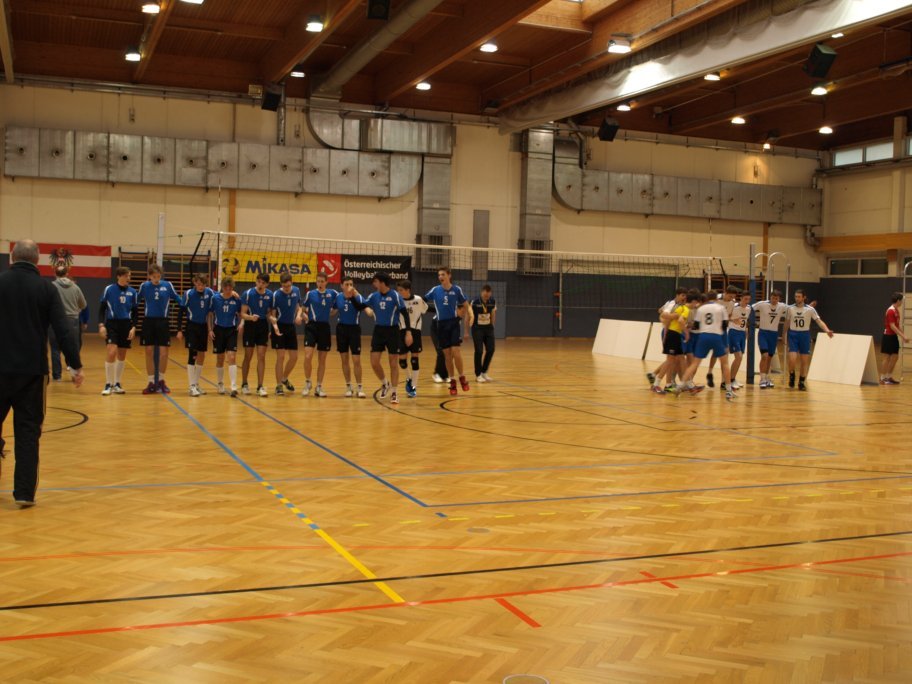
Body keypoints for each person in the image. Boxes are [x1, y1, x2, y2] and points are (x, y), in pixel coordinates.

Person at [0, 240, 84, 507]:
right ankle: (24, 493)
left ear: (12, 257)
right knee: (28, 432)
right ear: (37, 260)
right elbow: (63, 330)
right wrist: (75, 365)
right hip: (32, 372)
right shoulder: (46, 289)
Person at [355, 272, 412, 404]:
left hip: (393, 331)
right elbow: (360, 306)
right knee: (374, 362)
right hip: (378, 331)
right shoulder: (374, 296)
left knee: (393, 363)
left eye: (375, 281)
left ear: (381, 282)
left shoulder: (395, 295)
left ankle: (394, 392)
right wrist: (354, 295)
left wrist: (408, 332)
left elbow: (405, 314)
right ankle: (385, 383)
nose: (373, 284)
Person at [677, 292, 735, 401]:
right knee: (724, 363)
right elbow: (725, 325)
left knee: (695, 363)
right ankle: (728, 390)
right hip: (716, 337)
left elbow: (696, 325)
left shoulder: (701, 309)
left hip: (703, 337)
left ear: (707, 298)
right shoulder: (721, 308)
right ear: (716, 298)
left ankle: (680, 385)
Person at [424, 267, 470, 396]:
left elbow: (466, 305)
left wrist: (468, 320)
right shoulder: (435, 290)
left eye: (443, 274)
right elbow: (422, 300)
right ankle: (452, 381)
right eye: (439, 275)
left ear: (449, 275)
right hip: (441, 325)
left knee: (456, 352)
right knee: (447, 355)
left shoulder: (456, 289)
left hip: (453, 323)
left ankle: (462, 377)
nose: (440, 277)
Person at [137, 264, 182, 394]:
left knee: (164, 353)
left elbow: (178, 299)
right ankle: (151, 382)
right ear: (149, 276)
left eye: (158, 276)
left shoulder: (167, 285)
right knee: (149, 351)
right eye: (154, 277)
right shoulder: (144, 286)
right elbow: (135, 301)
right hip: (149, 322)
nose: (156, 279)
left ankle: (161, 380)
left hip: (163, 322)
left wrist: (188, 303)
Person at [99, 266, 138, 395]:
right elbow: (102, 308)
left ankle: (117, 383)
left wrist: (133, 327)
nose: (128, 278)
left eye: (129, 276)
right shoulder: (109, 289)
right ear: (119, 276)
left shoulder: (133, 292)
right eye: (126, 276)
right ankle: (108, 384)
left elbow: (135, 312)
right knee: (111, 352)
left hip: (126, 325)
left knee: (122, 355)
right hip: (112, 324)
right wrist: (101, 325)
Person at [784, 289, 834, 391]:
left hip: (805, 335)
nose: (797, 298)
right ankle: (792, 375)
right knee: (792, 359)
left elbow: (819, 321)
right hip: (793, 335)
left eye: (799, 297)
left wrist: (827, 330)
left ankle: (801, 382)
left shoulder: (810, 309)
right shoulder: (790, 308)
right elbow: (787, 322)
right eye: (796, 296)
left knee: (804, 361)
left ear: (804, 297)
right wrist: (784, 334)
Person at [177, 274, 214, 397]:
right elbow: (181, 312)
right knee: (192, 355)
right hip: (192, 326)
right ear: (195, 283)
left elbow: (221, 296)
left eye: (203, 285)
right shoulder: (188, 294)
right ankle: (191, 386)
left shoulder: (209, 292)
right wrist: (179, 330)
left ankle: (196, 383)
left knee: (201, 355)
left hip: (203, 327)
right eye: (198, 284)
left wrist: (234, 293)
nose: (201, 287)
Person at [302, 272, 338, 397]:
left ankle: (319, 386)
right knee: (308, 356)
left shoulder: (332, 294)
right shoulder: (310, 294)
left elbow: (337, 305)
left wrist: (331, 312)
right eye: (318, 281)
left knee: (322, 359)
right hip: (311, 327)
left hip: (324, 327)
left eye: (322, 281)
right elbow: (302, 309)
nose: (320, 283)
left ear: (326, 282)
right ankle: (308, 382)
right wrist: (303, 317)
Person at [48, 265, 86, 381]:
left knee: (55, 349)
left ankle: (57, 376)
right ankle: (75, 375)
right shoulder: (75, 287)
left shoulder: (51, 286)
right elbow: (83, 304)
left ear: (55, 274)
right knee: (73, 348)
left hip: (55, 320)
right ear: (67, 274)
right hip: (72, 321)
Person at [268, 272, 303, 396]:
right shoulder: (276, 295)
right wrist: (275, 327)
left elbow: (299, 307)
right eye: (284, 286)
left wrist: (298, 316)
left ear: (291, 283)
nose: (286, 288)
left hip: (291, 327)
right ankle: (278, 385)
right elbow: (272, 314)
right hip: (279, 326)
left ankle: (284, 378)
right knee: (281, 357)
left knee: (294, 357)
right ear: (281, 284)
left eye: (288, 286)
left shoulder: (297, 291)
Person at [333, 277, 367, 398]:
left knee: (356, 360)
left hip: (354, 330)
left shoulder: (358, 297)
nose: (349, 286)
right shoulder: (338, 297)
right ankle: (348, 386)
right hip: (341, 329)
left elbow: (365, 307)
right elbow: (332, 311)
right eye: (346, 284)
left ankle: (359, 387)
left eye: (351, 284)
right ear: (341, 286)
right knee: (344, 360)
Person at [653, 290, 692, 394]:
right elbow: (665, 316)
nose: (684, 298)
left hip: (676, 335)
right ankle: (656, 384)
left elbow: (667, 317)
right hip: (673, 334)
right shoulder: (679, 308)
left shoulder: (680, 307)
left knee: (679, 359)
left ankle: (679, 384)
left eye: (685, 296)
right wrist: (686, 333)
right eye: (682, 295)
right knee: (670, 360)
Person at [240, 273, 272, 397]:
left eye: (263, 283)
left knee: (261, 356)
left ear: (267, 284)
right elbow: (242, 313)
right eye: (259, 282)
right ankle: (244, 384)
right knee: (248, 356)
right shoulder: (248, 294)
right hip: (250, 325)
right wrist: (250, 317)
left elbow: (269, 313)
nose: (260, 285)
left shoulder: (270, 295)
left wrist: (273, 321)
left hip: (263, 325)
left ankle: (260, 386)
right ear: (256, 281)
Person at [397, 280, 429, 398]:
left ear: (408, 290)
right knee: (402, 361)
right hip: (402, 331)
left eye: (401, 290)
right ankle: (409, 378)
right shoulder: (397, 301)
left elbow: (425, 309)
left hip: (415, 331)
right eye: (398, 290)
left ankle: (413, 387)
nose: (399, 293)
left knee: (414, 359)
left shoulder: (418, 300)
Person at [212, 277, 243, 397]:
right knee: (220, 358)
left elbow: (242, 313)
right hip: (219, 330)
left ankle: (234, 386)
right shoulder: (215, 298)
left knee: (232, 357)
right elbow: (210, 313)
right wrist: (210, 329)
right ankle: (220, 383)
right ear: (222, 287)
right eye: (226, 288)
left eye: (230, 288)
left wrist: (241, 323)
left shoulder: (236, 299)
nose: (228, 290)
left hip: (231, 330)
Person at [752, 290, 788, 389]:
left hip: (773, 334)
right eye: (773, 298)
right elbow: (749, 308)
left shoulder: (782, 306)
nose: (774, 300)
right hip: (763, 333)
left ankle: (767, 377)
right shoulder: (762, 304)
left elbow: (793, 309)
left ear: (779, 299)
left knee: (769, 358)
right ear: (770, 297)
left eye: (776, 298)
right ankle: (762, 378)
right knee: (764, 355)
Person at [707, 285, 740, 390]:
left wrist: (732, 320)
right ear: (725, 292)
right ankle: (710, 372)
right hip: (713, 329)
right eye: (730, 296)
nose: (731, 298)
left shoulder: (732, 303)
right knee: (715, 353)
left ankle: (723, 382)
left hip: (723, 330)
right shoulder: (716, 299)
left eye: (733, 297)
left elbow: (728, 316)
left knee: (725, 354)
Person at [469, 285, 497, 383]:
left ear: (490, 294)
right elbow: (469, 314)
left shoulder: (492, 301)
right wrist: (466, 331)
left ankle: (484, 372)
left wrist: (492, 326)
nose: (487, 296)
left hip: (488, 328)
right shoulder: (475, 301)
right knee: (479, 351)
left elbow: (493, 313)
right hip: (477, 328)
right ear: (482, 292)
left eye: (488, 295)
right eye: (485, 294)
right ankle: (478, 375)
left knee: (491, 349)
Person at [880, 292, 908, 384]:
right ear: (898, 300)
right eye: (901, 301)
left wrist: (903, 335)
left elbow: (897, 325)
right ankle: (882, 378)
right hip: (888, 336)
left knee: (895, 357)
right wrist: (903, 336)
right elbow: (892, 326)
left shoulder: (896, 311)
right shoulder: (890, 311)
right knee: (886, 357)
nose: (902, 302)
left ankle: (888, 377)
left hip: (893, 337)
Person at [727, 291, 752, 390]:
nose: (747, 301)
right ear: (741, 298)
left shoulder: (749, 308)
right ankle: (730, 380)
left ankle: (733, 379)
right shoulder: (734, 307)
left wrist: (746, 331)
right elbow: (726, 317)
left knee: (739, 358)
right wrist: (733, 320)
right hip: (733, 332)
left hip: (742, 333)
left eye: (748, 299)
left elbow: (745, 321)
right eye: (745, 299)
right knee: (739, 357)